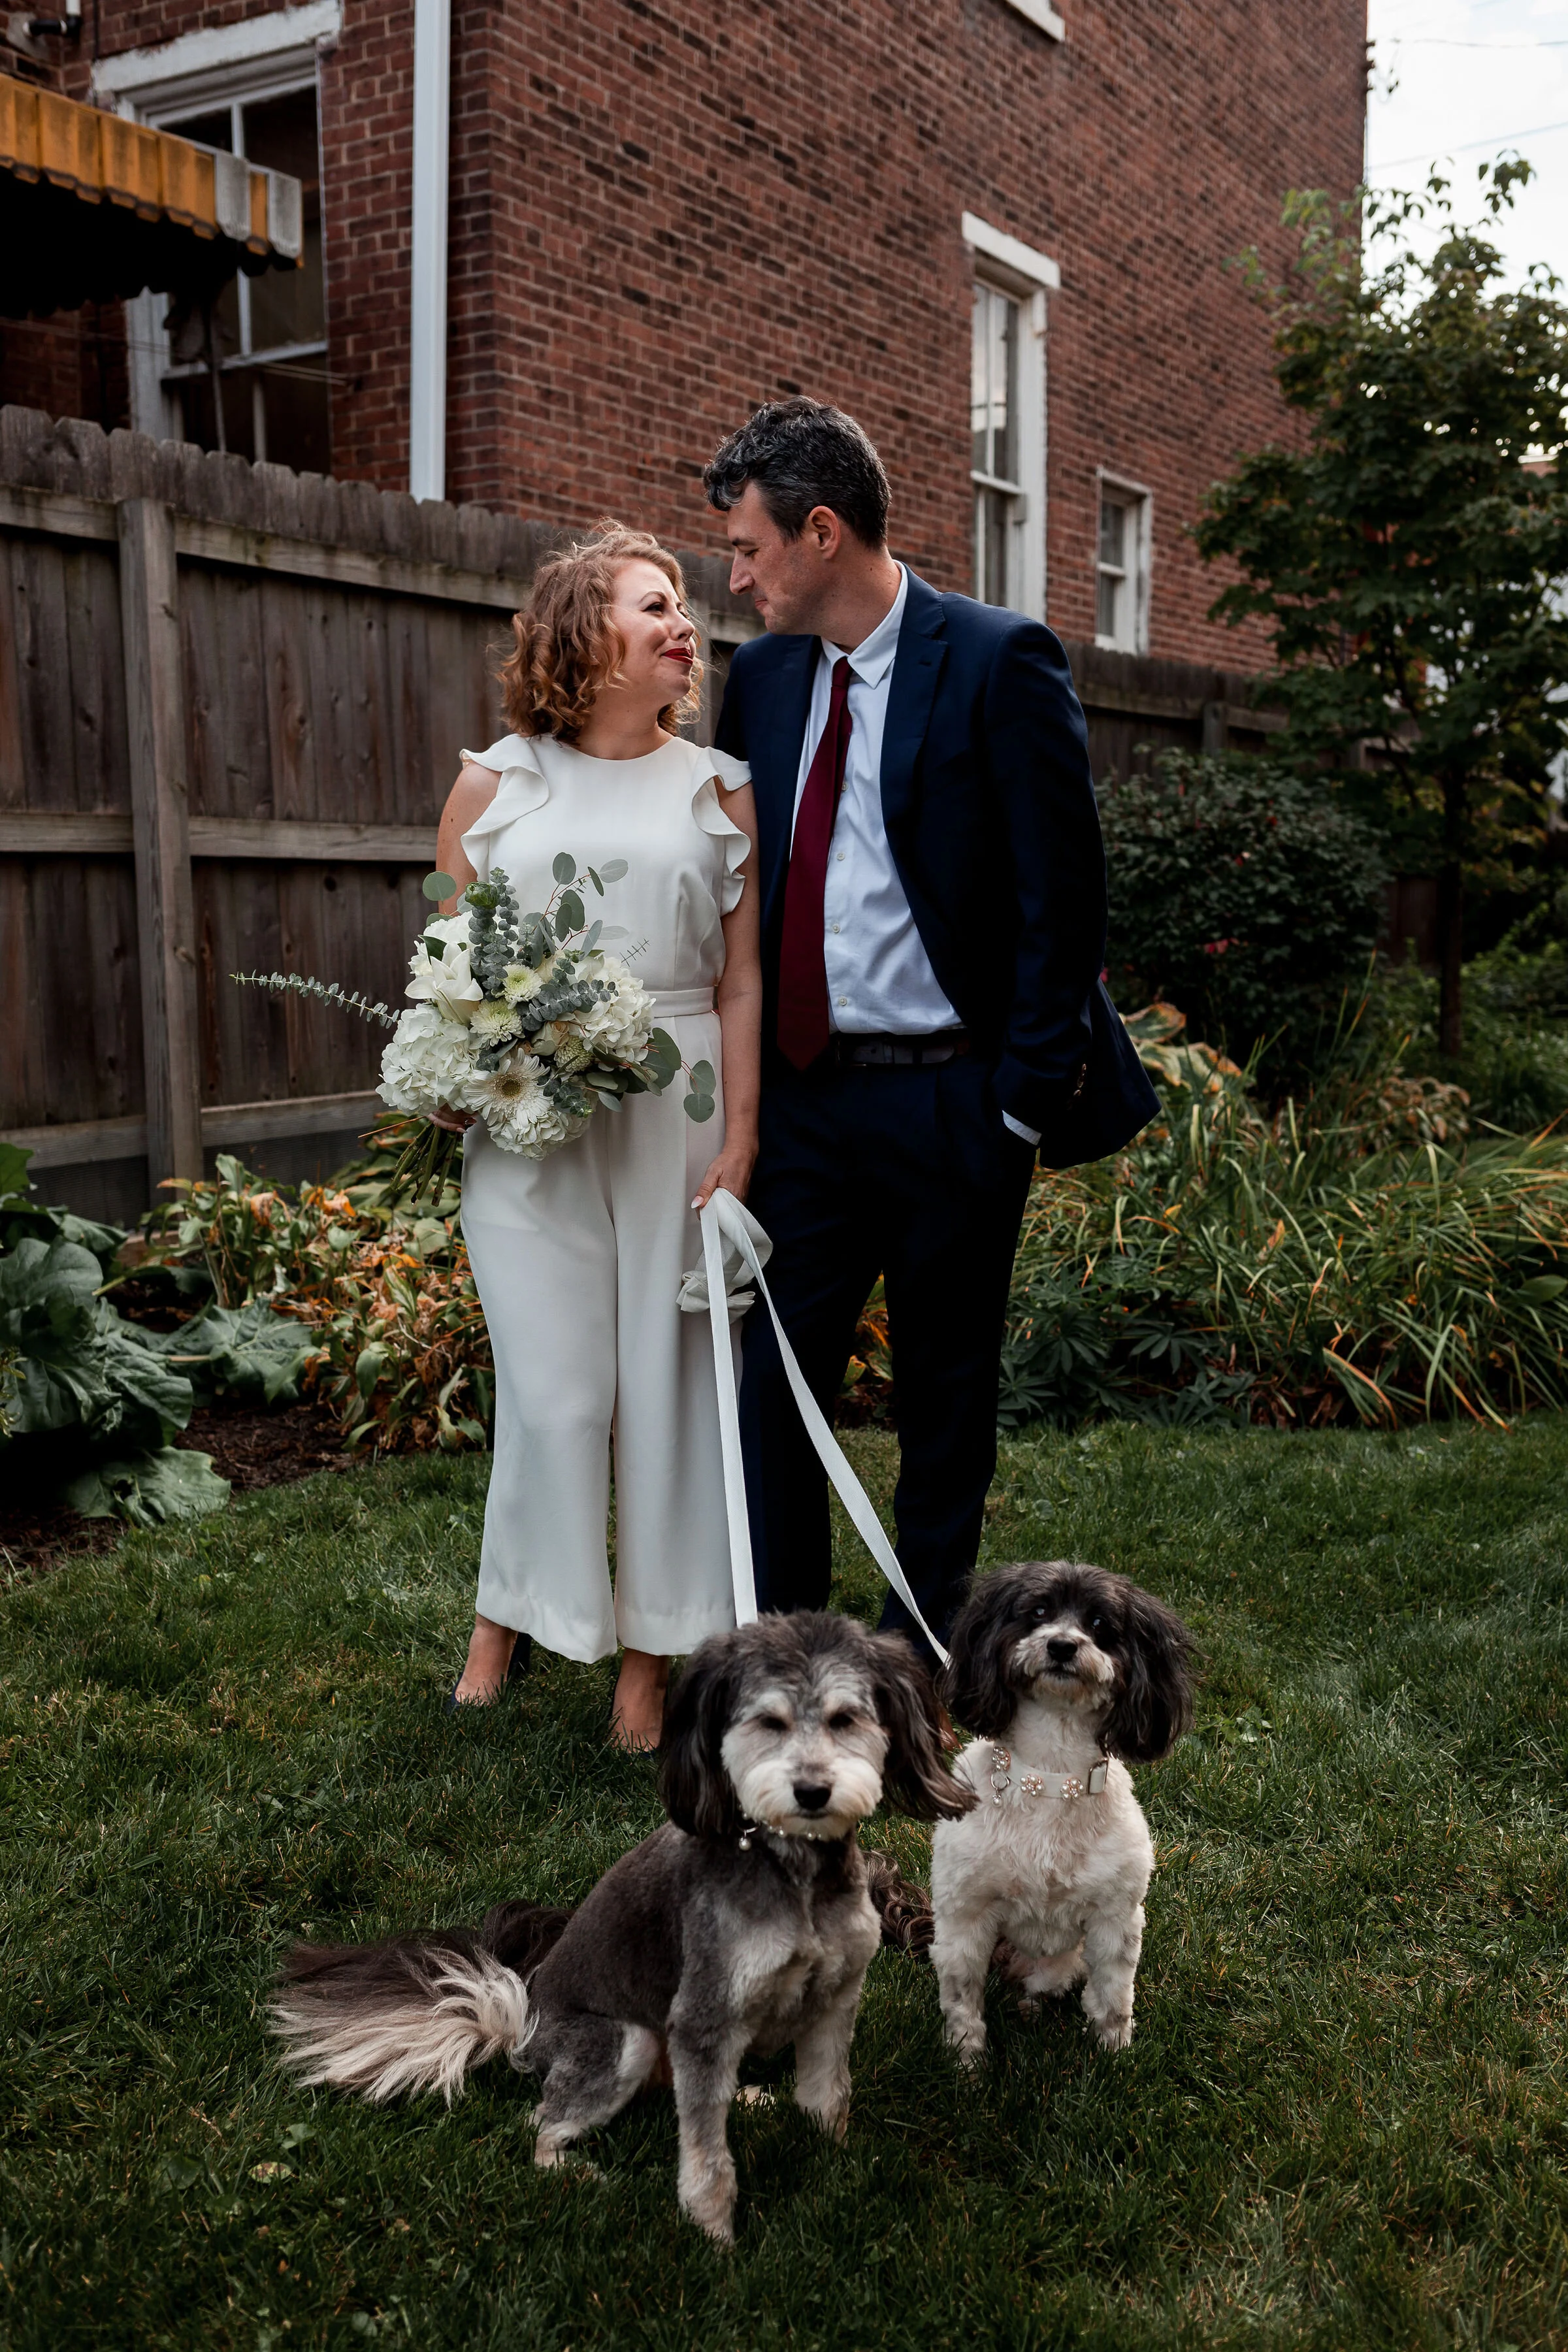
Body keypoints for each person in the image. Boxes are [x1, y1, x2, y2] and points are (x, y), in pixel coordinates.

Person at [706, 399, 1155, 1661]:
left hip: (955, 1101)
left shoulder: (1001, 659)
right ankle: (784, 1652)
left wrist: (1014, 1100)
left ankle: (918, 1655)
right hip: (806, 1099)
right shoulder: (766, 680)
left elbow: (1059, 903)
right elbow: (747, 885)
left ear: (824, 531)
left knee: (945, 1393)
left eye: (748, 548)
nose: (733, 577)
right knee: (774, 1391)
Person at [434, 524, 762, 1748]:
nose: (686, 623)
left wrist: (741, 1140)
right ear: (584, 634)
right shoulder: (497, 781)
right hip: (531, 1124)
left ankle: (649, 1658)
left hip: (675, 1113)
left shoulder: (716, 786)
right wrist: (466, 1070)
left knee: (670, 1389)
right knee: (554, 1390)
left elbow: (740, 983)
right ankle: (510, 1614)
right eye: (654, 604)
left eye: (684, 605)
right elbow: (449, 959)